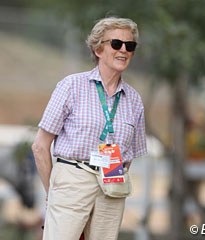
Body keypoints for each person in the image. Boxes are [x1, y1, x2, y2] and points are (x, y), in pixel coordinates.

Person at [31, 16, 147, 240]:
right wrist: (53, 191)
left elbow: (129, 156)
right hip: (72, 179)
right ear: (98, 49)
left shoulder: (134, 99)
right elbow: (40, 146)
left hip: (112, 184)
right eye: (116, 43)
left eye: (130, 45)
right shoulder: (71, 86)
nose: (123, 50)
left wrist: (112, 179)